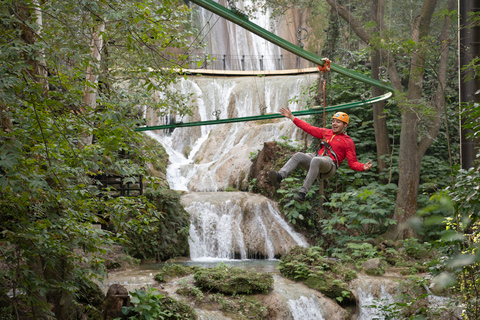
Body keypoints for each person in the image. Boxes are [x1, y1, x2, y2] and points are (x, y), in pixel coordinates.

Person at [269, 108, 373, 203]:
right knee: (299, 155)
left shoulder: (348, 141)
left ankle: (302, 193)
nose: (334, 124)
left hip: (329, 166)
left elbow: (352, 162)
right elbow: (308, 128)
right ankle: (279, 177)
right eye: (333, 121)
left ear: (345, 125)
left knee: (316, 160)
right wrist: (292, 117)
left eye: (338, 122)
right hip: (316, 161)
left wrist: (362, 167)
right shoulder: (326, 132)